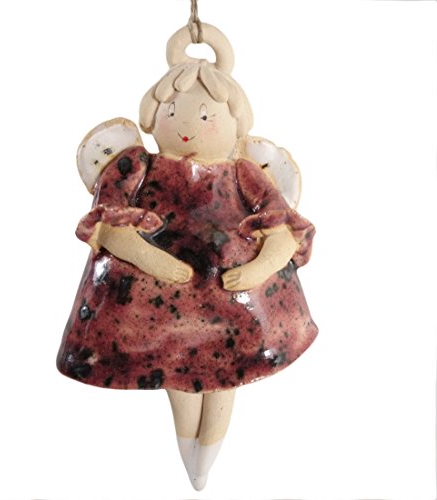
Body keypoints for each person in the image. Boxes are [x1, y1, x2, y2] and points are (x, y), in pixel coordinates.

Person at [57, 24, 317, 490]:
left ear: (235, 122)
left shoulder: (244, 174)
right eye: (174, 112)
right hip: (159, 313)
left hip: (234, 302)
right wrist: (151, 259)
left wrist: (259, 267)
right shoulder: (136, 167)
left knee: (226, 376)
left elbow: (282, 229)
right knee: (176, 370)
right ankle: (192, 455)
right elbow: (110, 226)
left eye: (206, 116)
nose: (188, 127)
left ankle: (204, 459)